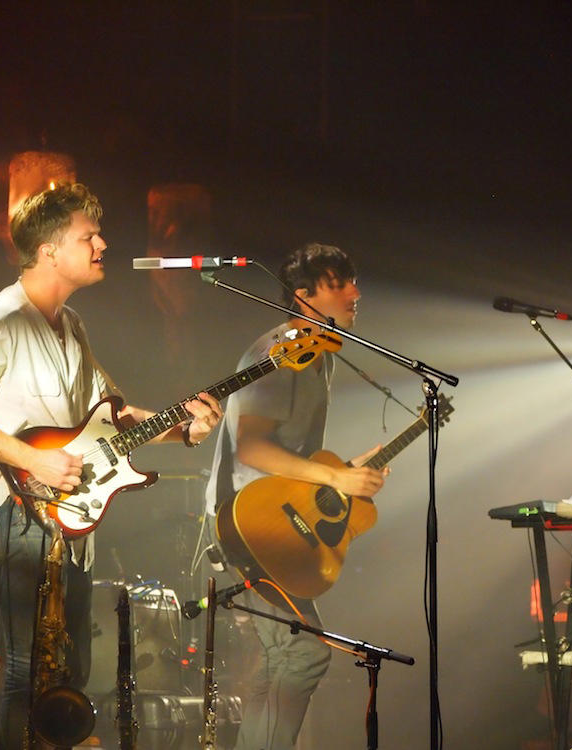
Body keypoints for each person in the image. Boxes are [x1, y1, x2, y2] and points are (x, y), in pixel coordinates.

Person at [0, 183, 222, 750]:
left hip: (67, 520)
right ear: (49, 251)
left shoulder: (71, 324)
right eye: (89, 236)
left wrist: (183, 427)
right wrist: (30, 458)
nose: (103, 243)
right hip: (18, 515)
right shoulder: (3, 320)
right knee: (22, 672)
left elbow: (113, 414)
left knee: (69, 673)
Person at [203, 243, 387, 750]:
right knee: (305, 654)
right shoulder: (280, 350)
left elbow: (290, 460)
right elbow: (254, 446)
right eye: (337, 283)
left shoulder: (320, 355)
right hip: (249, 527)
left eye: (353, 280)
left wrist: (345, 476)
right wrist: (334, 481)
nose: (355, 292)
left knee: (281, 658)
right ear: (304, 297)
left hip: (277, 522)